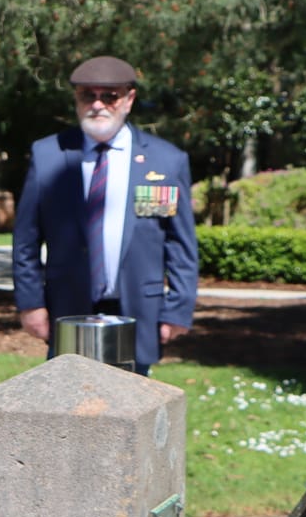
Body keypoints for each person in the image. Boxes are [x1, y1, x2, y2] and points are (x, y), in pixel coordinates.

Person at [12, 55, 198, 375]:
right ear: (76, 99)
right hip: (69, 307)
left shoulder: (166, 161)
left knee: (132, 407)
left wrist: (178, 309)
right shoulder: (48, 156)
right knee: (69, 405)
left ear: (129, 99)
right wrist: (30, 303)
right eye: (88, 95)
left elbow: (180, 244)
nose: (98, 105)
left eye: (109, 96)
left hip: (139, 309)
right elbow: (26, 241)